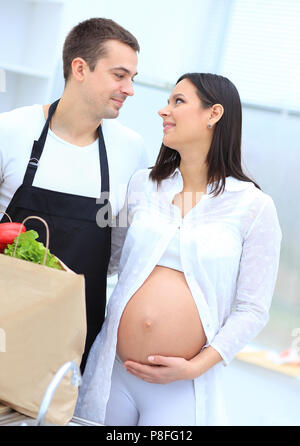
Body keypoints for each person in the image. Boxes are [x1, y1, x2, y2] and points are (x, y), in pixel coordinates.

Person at [75, 72, 282, 426]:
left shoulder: (253, 206)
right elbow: (106, 260)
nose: (163, 111)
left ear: (213, 114)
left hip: (181, 387)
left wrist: (194, 367)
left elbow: (252, 309)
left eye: (178, 102)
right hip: (113, 373)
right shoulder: (143, 185)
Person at [0, 18, 148, 372]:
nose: (129, 89)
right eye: (119, 75)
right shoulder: (10, 130)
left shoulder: (131, 150)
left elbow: (120, 242)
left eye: (133, 78)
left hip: (73, 341)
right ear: (80, 68)